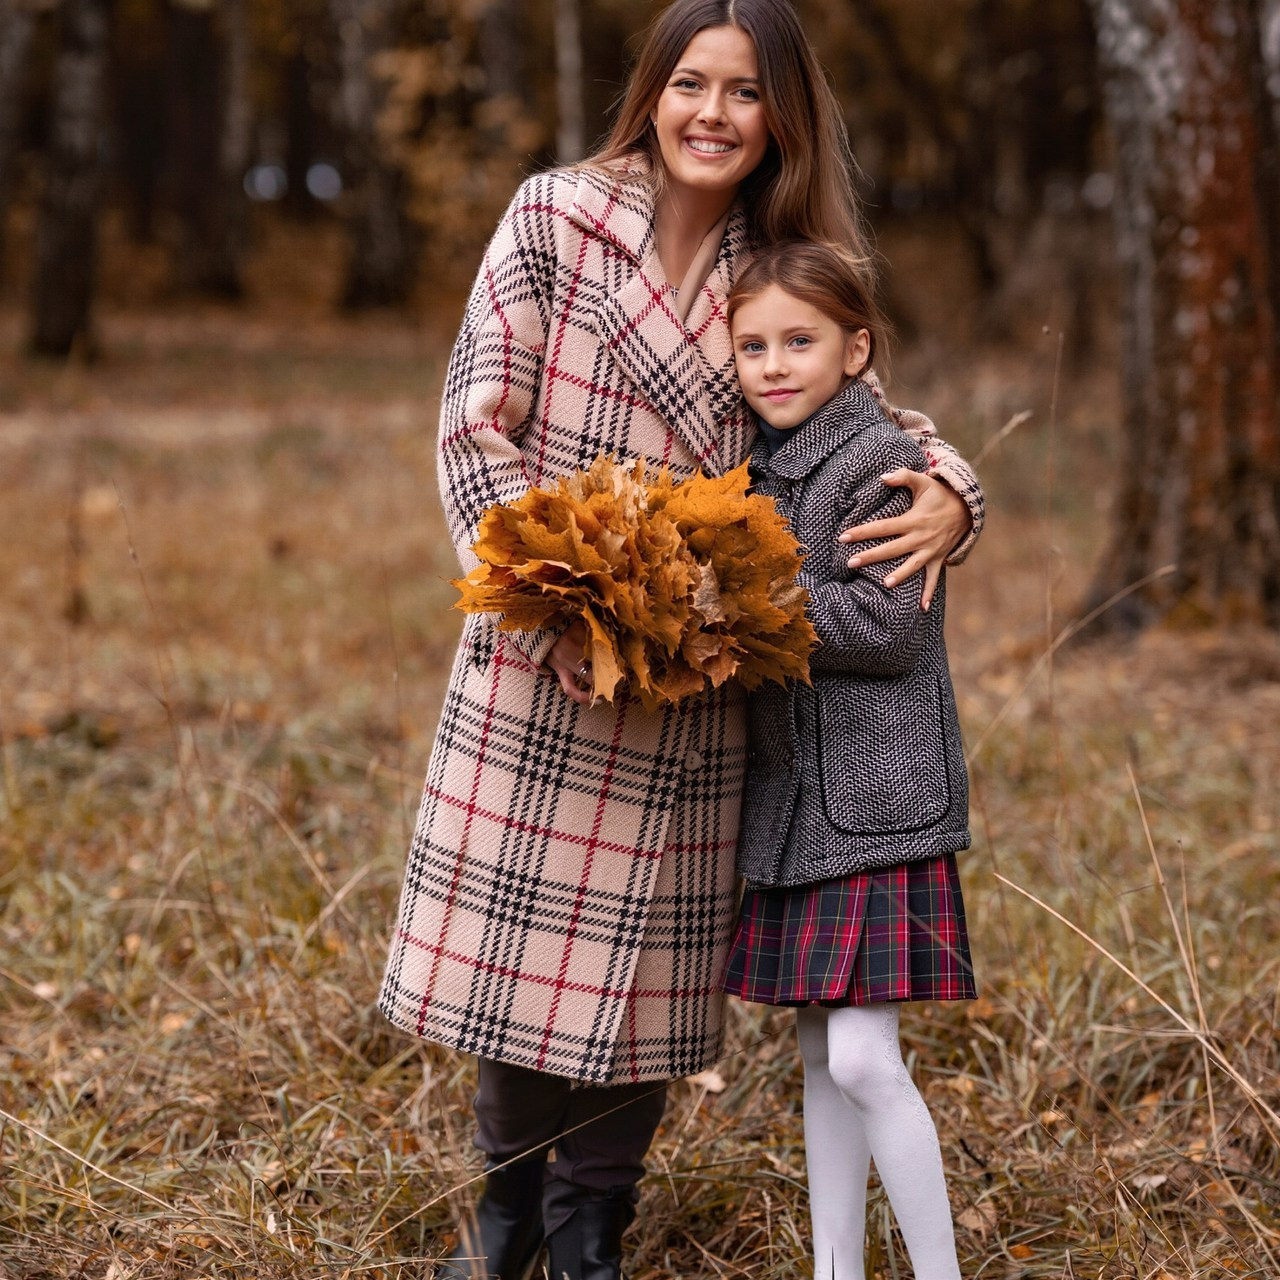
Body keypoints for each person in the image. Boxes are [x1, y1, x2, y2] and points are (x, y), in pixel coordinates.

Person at [377, 3, 983, 1277]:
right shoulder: (555, 215)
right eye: (689, 84)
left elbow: (862, 414)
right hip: (547, 642)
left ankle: (589, 1226)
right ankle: (500, 1223)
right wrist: (544, 589)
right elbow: (473, 419)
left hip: (700, 672)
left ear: (779, 118)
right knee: (525, 964)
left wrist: (953, 488)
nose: (712, 113)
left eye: (744, 91)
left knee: (646, 975)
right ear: (651, 92)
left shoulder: (779, 256)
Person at [722, 237, 975, 1280]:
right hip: (798, 808)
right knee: (821, 1056)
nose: (773, 364)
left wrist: (745, 599)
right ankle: (834, 1269)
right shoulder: (760, 461)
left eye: (798, 340)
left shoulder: (873, 461)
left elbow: (886, 627)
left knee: (867, 1056)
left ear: (854, 347)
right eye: (751, 345)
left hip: (874, 807)